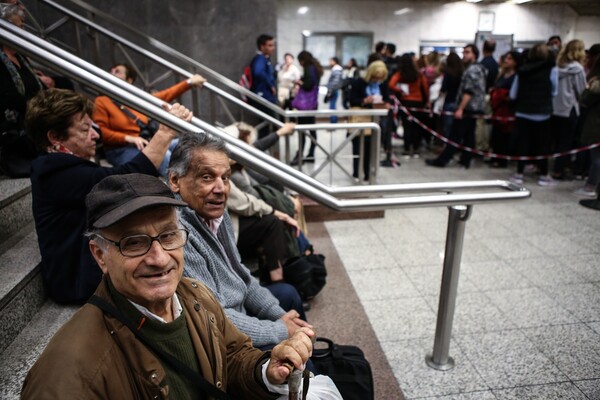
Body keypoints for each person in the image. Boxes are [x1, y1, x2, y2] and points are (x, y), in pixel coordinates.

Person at [21, 173, 316, 399]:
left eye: (168, 235)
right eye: (134, 243)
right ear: (100, 255)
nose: (160, 258)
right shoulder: (68, 374)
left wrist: (266, 371)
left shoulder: (194, 294)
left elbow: (232, 355)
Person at [26, 88, 192, 304]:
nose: (95, 135)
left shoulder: (60, 167)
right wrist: (165, 132)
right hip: (77, 283)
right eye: (85, 130)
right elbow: (123, 180)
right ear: (55, 137)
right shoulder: (53, 172)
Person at [167, 133, 310, 349]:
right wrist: (280, 330)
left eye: (225, 178)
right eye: (206, 177)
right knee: (289, 352)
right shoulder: (177, 233)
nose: (220, 188)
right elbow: (213, 316)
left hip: (237, 310)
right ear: (175, 181)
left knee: (288, 297)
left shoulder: (216, 213)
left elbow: (241, 275)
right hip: (216, 339)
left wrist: (283, 318)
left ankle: (312, 365)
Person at [93, 63, 206, 176]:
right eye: (111, 70)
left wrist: (189, 82)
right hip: (120, 149)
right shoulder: (102, 101)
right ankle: (179, 190)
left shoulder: (135, 97)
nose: (112, 72)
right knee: (164, 155)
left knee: (192, 141)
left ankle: (202, 178)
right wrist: (127, 138)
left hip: (146, 142)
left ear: (129, 80)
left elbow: (165, 95)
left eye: (117, 71)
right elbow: (101, 132)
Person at [425, 44, 487, 169]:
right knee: (469, 135)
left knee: (455, 134)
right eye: (464, 52)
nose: (465, 54)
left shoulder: (473, 70)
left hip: (468, 107)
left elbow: (469, 91)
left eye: (468, 52)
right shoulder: (476, 69)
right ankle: (465, 160)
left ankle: (444, 160)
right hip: (472, 107)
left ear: (475, 54)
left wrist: (460, 108)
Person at [0, 3, 43, 178]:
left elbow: (33, 85)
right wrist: (41, 108)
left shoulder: (20, 57)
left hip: (34, 115)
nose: (22, 31)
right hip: (15, 125)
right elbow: (8, 96)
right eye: (19, 26)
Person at [508, 43, 559, 186]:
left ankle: (519, 174)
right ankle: (544, 175)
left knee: (523, 143)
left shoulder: (522, 70)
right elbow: (554, 91)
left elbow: (513, 93)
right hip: (542, 113)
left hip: (523, 112)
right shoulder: (552, 69)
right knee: (543, 145)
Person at [347, 60, 391, 180]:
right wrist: (364, 101)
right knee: (357, 147)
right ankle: (356, 172)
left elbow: (387, 98)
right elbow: (352, 100)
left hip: (376, 120)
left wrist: (386, 104)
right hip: (360, 119)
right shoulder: (359, 83)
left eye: (380, 78)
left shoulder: (383, 84)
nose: (377, 80)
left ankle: (368, 173)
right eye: (375, 77)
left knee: (371, 148)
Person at [551, 39, 586, 180]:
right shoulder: (578, 69)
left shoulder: (557, 68)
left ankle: (555, 168)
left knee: (557, 141)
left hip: (555, 108)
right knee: (566, 142)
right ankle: (560, 170)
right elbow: (581, 91)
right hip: (569, 108)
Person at [389, 53, 430, 158]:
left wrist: (400, 91)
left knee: (407, 127)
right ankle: (416, 149)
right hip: (418, 102)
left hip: (406, 102)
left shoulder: (400, 74)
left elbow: (391, 84)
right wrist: (427, 101)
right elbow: (425, 88)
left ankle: (407, 149)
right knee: (416, 126)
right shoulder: (418, 74)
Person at [489, 51, 521, 168]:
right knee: (495, 135)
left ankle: (502, 160)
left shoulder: (516, 76)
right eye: (506, 58)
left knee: (505, 136)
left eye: (510, 59)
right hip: (497, 109)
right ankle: (495, 157)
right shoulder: (501, 75)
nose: (506, 61)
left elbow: (513, 95)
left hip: (508, 111)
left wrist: (501, 95)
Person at [291, 51, 323, 165]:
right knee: (311, 129)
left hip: (305, 105)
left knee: (302, 130)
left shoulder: (309, 68)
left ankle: (300, 155)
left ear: (303, 60)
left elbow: (308, 85)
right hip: (312, 104)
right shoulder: (315, 67)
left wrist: (299, 83)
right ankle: (310, 154)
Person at [249, 34, 278, 139]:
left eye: (273, 45)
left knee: (266, 126)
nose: (272, 48)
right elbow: (258, 72)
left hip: (266, 96)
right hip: (263, 96)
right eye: (270, 45)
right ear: (262, 46)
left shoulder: (265, 59)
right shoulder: (260, 59)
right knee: (270, 125)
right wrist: (270, 85)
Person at [439, 52, 464, 139]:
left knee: (448, 126)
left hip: (449, 101)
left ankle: (449, 145)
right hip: (460, 102)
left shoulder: (448, 72)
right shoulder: (463, 72)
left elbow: (443, 89)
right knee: (458, 127)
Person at [324, 57, 344, 123]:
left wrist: (330, 91)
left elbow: (335, 82)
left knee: (332, 107)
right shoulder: (336, 69)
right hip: (333, 90)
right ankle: (333, 122)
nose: (329, 63)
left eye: (330, 61)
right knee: (332, 106)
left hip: (333, 90)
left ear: (335, 61)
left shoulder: (337, 69)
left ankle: (333, 122)